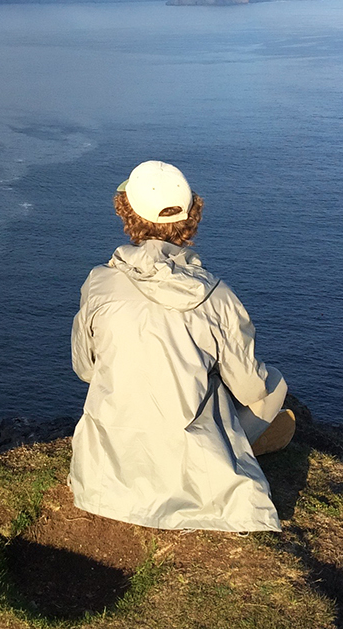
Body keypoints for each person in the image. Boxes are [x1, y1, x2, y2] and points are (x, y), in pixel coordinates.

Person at [68, 160, 296, 532]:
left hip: (105, 471)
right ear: (192, 217)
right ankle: (237, 451)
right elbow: (250, 387)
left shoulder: (98, 284)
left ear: (126, 212)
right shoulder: (217, 297)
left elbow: (85, 369)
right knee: (273, 385)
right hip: (188, 461)